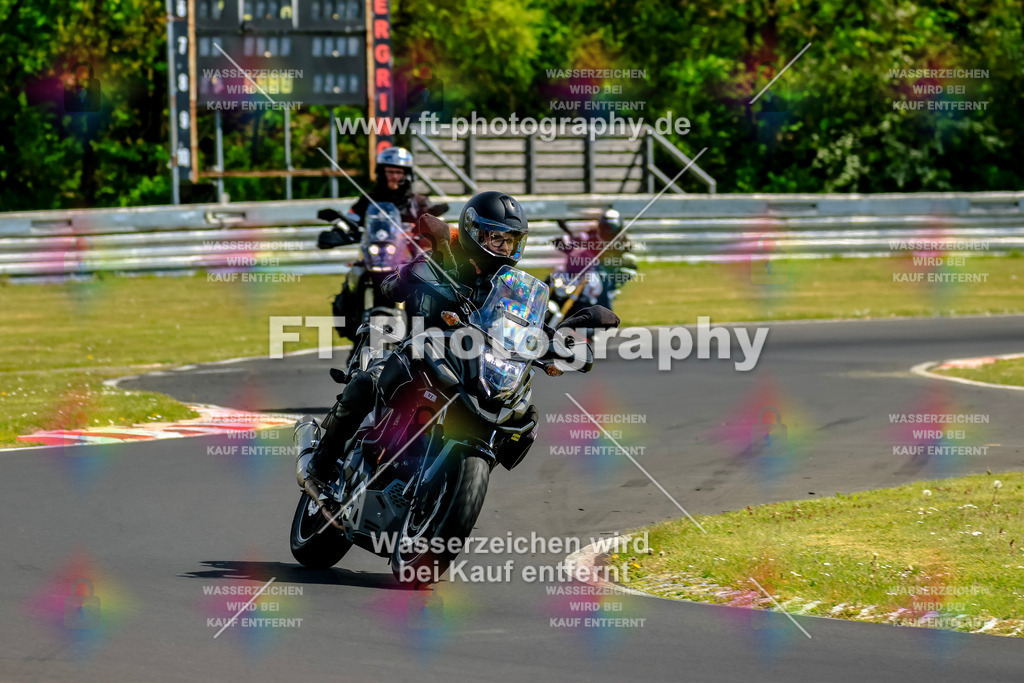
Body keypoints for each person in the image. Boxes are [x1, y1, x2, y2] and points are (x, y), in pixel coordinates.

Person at [304, 191, 532, 486]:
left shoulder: (509, 290)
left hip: (471, 367)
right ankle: (322, 462)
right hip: (416, 351)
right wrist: (409, 275)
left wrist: (562, 337)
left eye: (510, 241)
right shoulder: (441, 260)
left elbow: (527, 325)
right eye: (496, 239)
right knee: (366, 383)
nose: (504, 248)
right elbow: (390, 288)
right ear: (474, 233)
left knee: (519, 414)